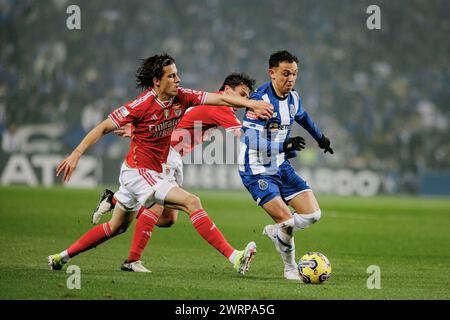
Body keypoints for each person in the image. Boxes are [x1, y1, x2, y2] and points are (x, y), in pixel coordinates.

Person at [48, 54, 273, 275]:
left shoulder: (182, 97)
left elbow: (221, 98)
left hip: (149, 169)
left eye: (177, 75)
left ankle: (61, 257)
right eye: (172, 76)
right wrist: (77, 153)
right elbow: (103, 127)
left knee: (124, 226)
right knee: (191, 202)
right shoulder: (141, 105)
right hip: (139, 172)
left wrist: (250, 104)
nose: (178, 80)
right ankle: (234, 257)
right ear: (157, 81)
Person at [91, 72, 256, 272]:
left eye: (247, 97)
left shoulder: (209, 103)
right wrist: (277, 144)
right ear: (228, 90)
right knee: (163, 206)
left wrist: (137, 131)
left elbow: (173, 120)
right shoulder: (220, 107)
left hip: (172, 156)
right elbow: (245, 137)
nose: (244, 100)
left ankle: (115, 200)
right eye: (242, 94)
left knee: (168, 219)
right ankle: (133, 260)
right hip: (165, 155)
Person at [238, 50, 334, 280]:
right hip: (257, 169)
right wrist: (283, 145)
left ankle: (276, 232)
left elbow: (302, 116)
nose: (290, 78)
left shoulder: (293, 98)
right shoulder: (259, 101)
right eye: (285, 73)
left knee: (313, 215)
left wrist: (320, 137)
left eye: (294, 74)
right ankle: (290, 269)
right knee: (287, 221)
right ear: (272, 73)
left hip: (280, 166)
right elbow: (249, 138)